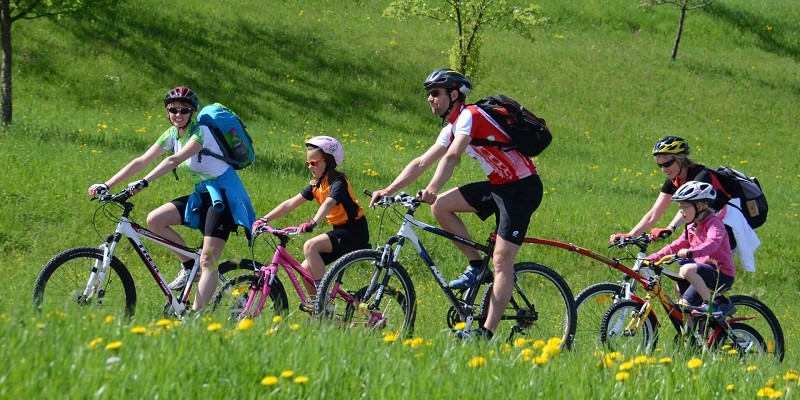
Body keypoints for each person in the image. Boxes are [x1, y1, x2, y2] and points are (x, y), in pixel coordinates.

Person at [369, 68, 543, 340]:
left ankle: (486, 332)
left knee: (501, 260)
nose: (430, 99)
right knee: (439, 206)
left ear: (453, 94)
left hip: (522, 189)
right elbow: (421, 162)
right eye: (428, 94)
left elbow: (452, 157)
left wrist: (432, 188)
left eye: (435, 93)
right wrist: (388, 189)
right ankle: (476, 266)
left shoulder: (470, 116)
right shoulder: (453, 125)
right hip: (498, 186)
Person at [87, 86, 256, 311]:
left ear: (192, 112)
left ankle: (193, 318)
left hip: (224, 198)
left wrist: (143, 183)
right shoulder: (172, 134)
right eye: (173, 109)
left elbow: (173, 161)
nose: (178, 114)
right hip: (202, 195)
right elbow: (141, 160)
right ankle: (188, 266)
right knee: (155, 220)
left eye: (184, 110)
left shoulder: (201, 132)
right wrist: (107, 184)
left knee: (208, 261)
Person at [251, 136, 370, 309]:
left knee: (310, 246)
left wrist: (313, 222)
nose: (310, 167)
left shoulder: (339, 182)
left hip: (355, 232)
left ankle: (325, 301)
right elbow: (291, 203)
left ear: (328, 161)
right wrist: (265, 219)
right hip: (340, 231)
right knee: (305, 270)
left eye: (314, 163)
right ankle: (323, 313)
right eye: (308, 164)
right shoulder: (316, 184)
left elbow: (329, 203)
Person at [610, 135, 760, 272]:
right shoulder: (673, 178)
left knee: (704, 271)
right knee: (684, 275)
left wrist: (670, 228)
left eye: (667, 164)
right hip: (701, 225)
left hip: (726, 224)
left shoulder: (701, 176)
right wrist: (630, 235)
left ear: (680, 159)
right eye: (659, 165)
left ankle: (715, 301)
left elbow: (689, 206)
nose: (663, 170)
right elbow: (654, 213)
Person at [644, 181, 736, 316]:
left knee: (686, 269)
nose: (681, 212)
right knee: (683, 306)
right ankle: (690, 335)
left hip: (721, 274)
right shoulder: (691, 226)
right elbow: (676, 245)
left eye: (685, 207)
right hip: (702, 274)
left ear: (699, 206)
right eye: (680, 207)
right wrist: (654, 257)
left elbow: (712, 243)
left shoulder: (714, 223)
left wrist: (691, 252)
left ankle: (711, 304)